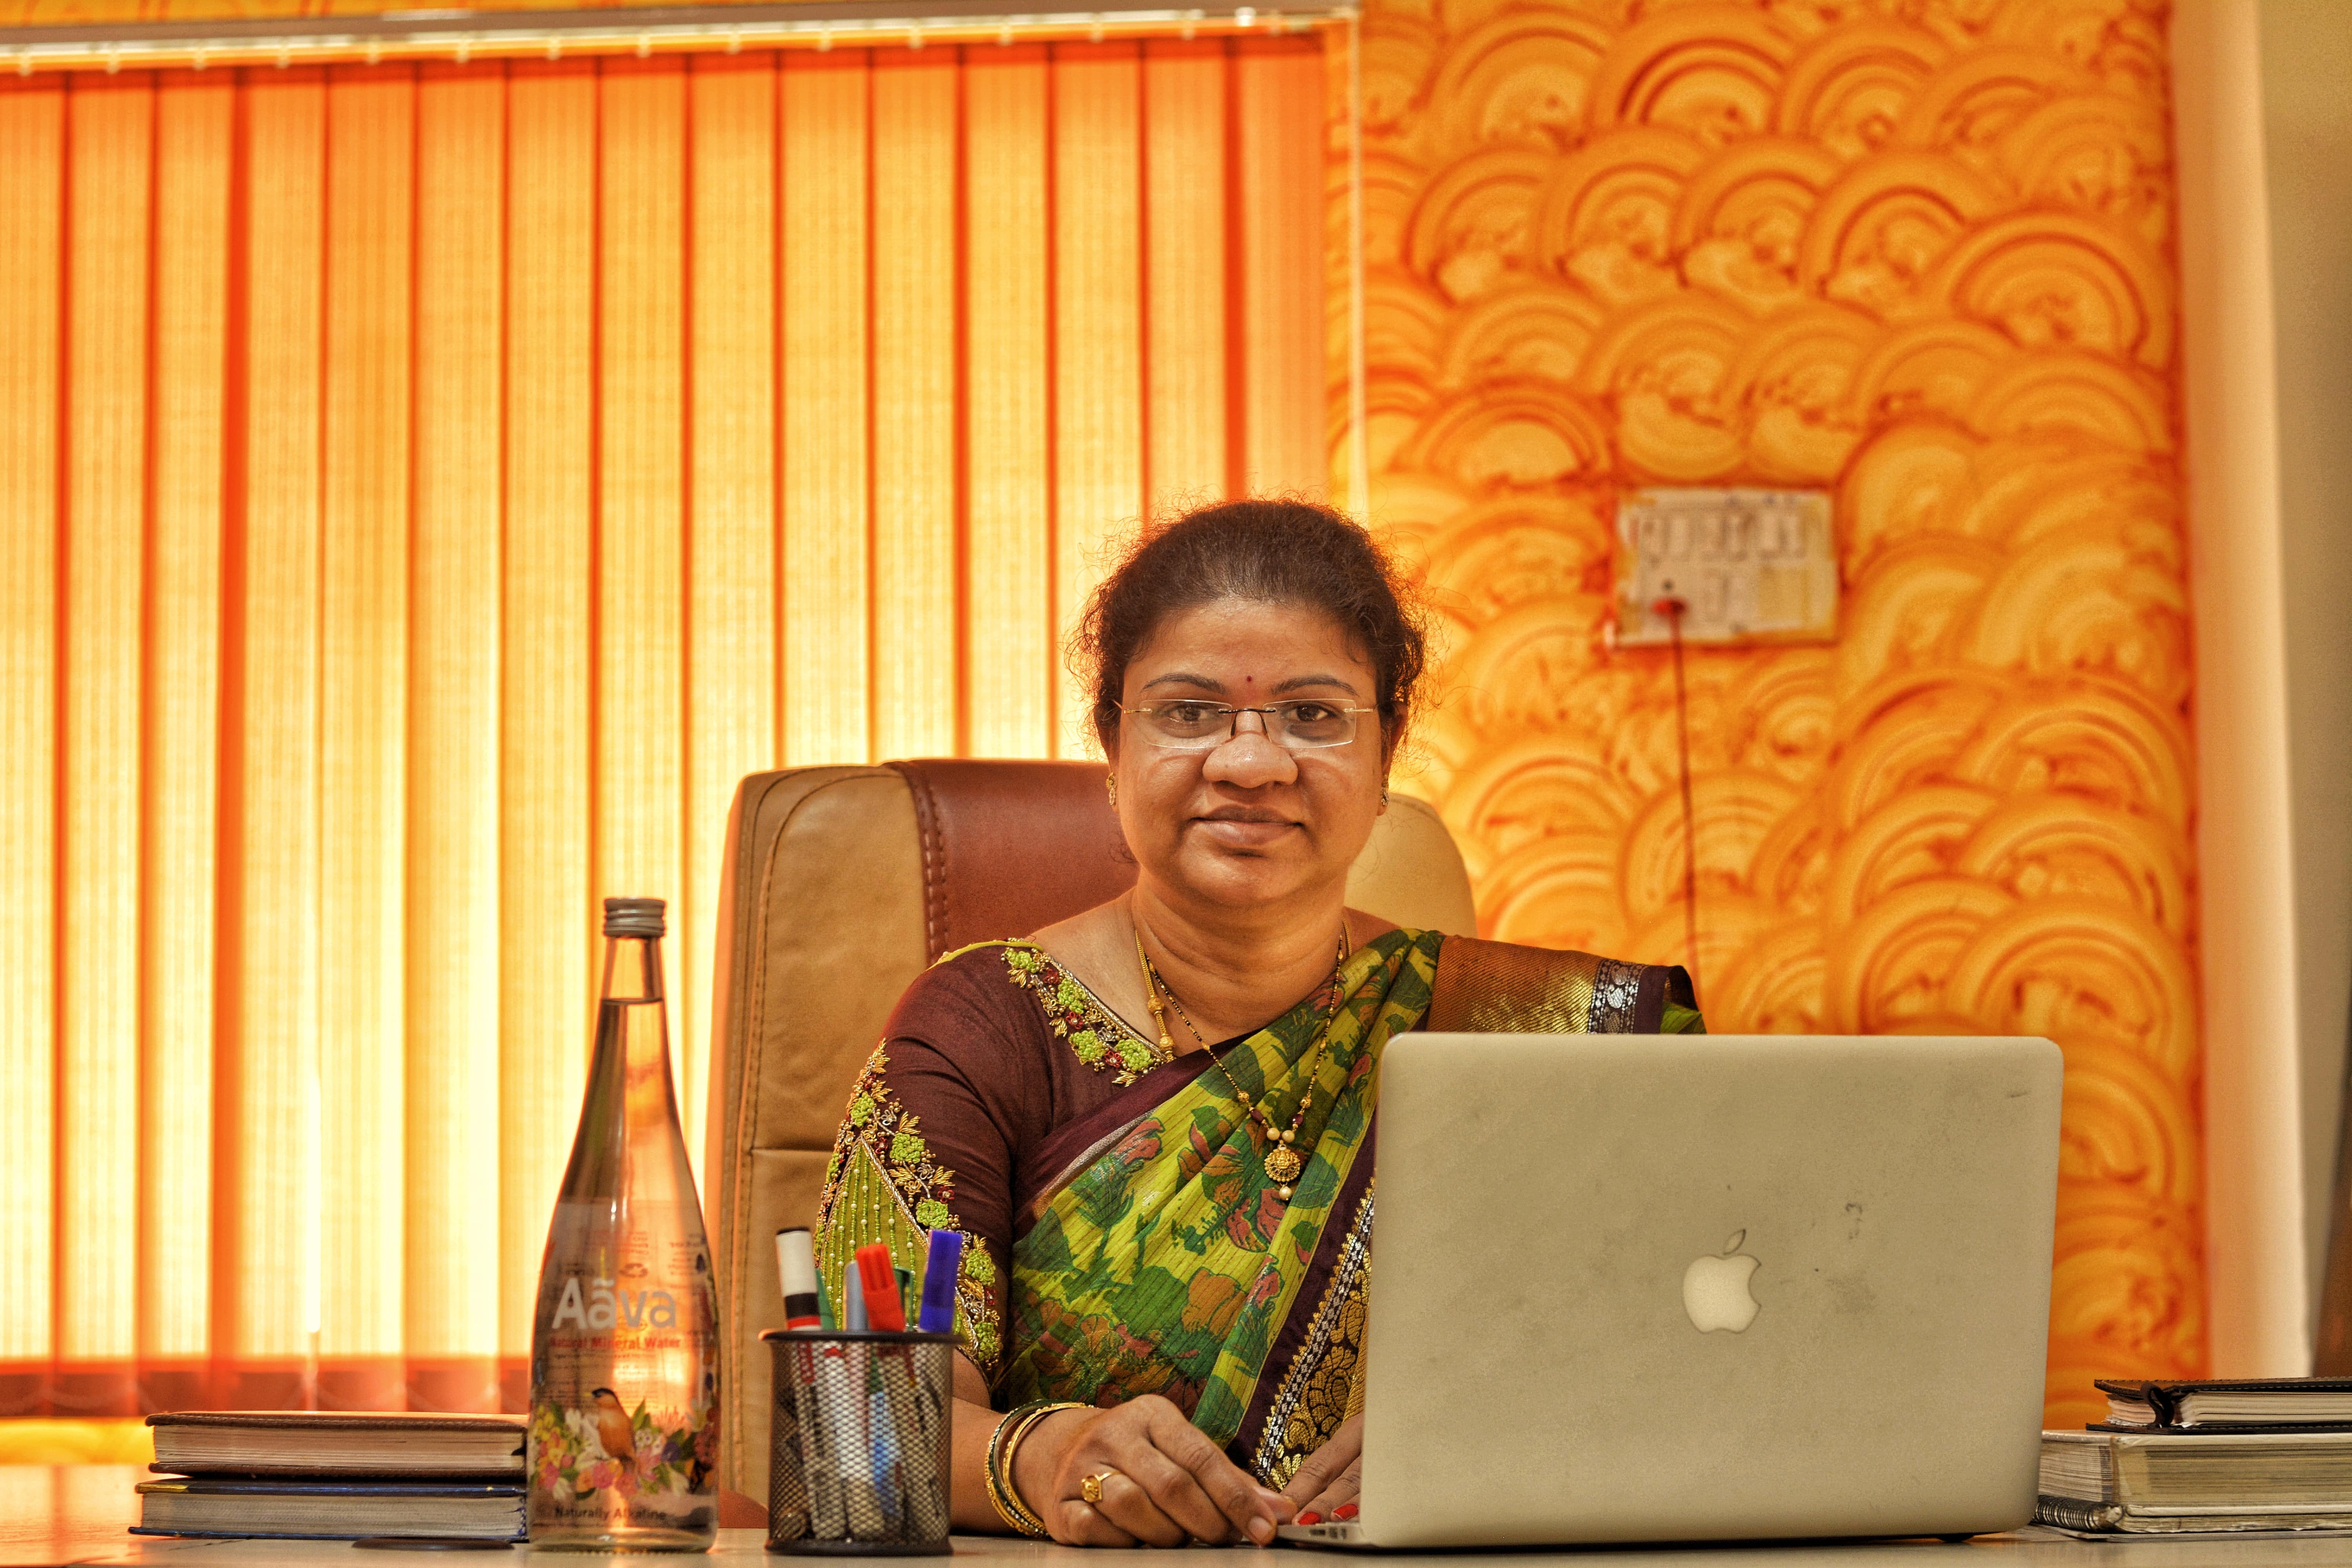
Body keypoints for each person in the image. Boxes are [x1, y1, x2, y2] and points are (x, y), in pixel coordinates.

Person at [813, 499, 1701, 1547]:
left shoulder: (1529, 1039)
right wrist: (1041, 1455)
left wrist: (1506, 1436)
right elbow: (856, 1430)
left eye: (1314, 715)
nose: (1251, 765)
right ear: (1111, 744)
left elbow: (1690, 1367)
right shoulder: (981, 1031)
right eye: (1188, 712)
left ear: (1385, 757)